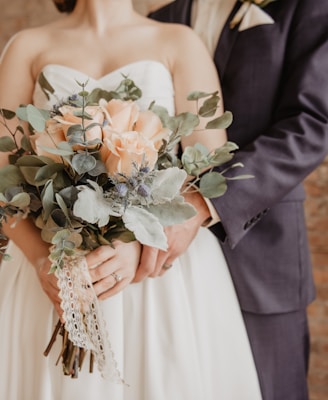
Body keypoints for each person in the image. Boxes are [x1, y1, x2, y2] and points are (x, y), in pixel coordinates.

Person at [0, 1, 264, 399]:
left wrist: (138, 241)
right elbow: (2, 177)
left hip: (157, 274)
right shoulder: (28, 46)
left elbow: (209, 170)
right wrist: (42, 260)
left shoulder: (179, 42)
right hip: (56, 265)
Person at [131, 0, 328, 399]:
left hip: (261, 255)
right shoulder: (160, 20)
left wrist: (204, 202)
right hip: (165, 272)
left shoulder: (306, 7)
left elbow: (312, 124)